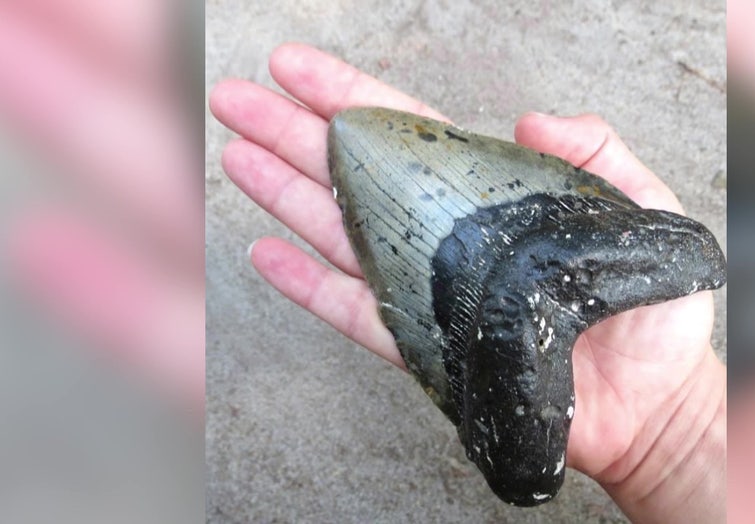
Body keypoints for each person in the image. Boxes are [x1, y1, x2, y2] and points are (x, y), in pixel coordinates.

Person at [210, 43, 726, 522]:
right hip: (494, 268)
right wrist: (681, 429)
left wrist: (680, 424)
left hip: (500, 271)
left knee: (525, 459)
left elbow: (677, 257)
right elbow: (689, 253)